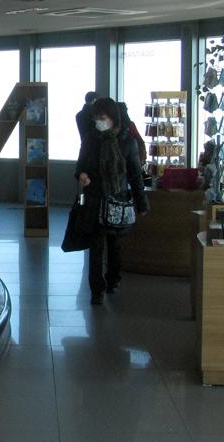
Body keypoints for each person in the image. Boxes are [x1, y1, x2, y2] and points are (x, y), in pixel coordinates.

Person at [74, 97, 149, 306]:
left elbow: (135, 175)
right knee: (95, 247)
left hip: (118, 201)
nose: (99, 122)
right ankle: (96, 290)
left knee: (115, 245)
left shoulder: (127, 142)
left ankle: (113, 279)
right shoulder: (90, 140)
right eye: (96, 118)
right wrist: (81, 175)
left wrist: (142, 203)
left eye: (102, 118)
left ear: (113, 118)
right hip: (95, 200)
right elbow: (80, 166)